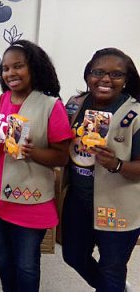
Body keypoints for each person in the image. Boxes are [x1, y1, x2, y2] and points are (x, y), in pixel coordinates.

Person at [0, 40, 73, 292]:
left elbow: (63, 157)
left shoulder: (51, 106)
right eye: (5, 69)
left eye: (18, 66)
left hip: (30, 200)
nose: (10, 73)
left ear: (34, 68)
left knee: (27, 265)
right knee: (5, 261)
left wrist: (33, 152)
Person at [62, 48, 140, 292]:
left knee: (112, 268)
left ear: (126, 80)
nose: (106, 79)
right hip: (79, 200)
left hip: (118, 204)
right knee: (73, 256)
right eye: (98, 72)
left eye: (116, 74)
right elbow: (59, 139)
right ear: (88, 76)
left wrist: (116, 164)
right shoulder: (75, 105)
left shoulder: (135, 114)